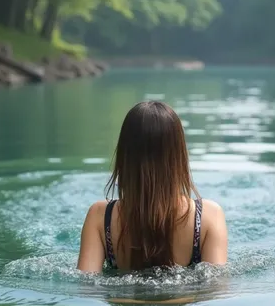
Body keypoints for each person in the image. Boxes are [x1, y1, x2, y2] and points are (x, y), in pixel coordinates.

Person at [77, 101, 228, 272]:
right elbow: (216, 289)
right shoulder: (209, 216)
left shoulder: (100, 216)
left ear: (124, 156)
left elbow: (87, 288)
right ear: (179, 155)